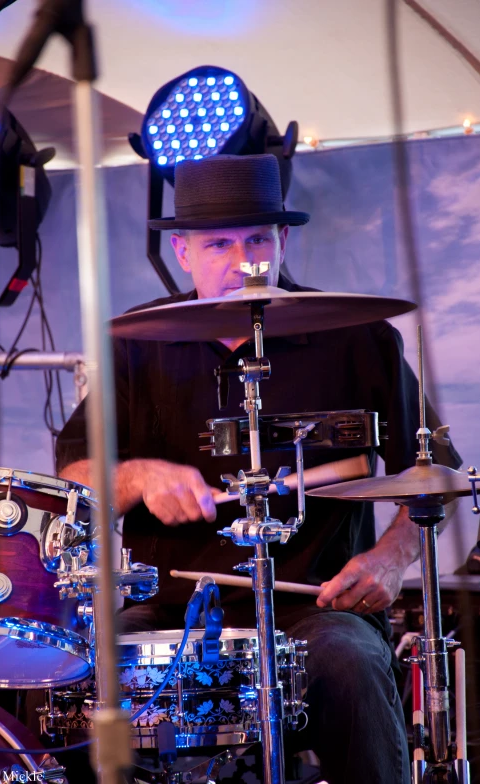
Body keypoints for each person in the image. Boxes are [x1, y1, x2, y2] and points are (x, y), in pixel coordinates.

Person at [56, 153, 461, 784]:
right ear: (184, 254)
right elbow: (74, 475)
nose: (241, 259)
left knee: (350, 664)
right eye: (217, 243)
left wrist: (389, 559)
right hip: (172, 607)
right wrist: (136, 478)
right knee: (85, 673)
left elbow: (434, 476)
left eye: (255, 239)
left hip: (319, 606)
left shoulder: (359, 337)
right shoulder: (137, 342)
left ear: (282, 240)